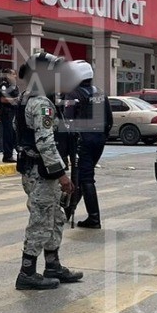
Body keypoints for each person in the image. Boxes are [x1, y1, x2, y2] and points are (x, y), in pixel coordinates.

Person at [14, 52, 81, 290]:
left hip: (33, 169)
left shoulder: (25, 98)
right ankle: (27, 272)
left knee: (55, 217)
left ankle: (52, 266)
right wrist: (62, 175)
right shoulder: (41, 103)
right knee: (41, 220)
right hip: (43, 173)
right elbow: (45, 143)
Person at [65, 61, 112, 229]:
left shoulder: (73, 94)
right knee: (84, 176)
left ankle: (94, 217)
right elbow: (109, 121)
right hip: (98, 140)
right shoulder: (100, 92)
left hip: (82, 141)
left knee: (84, 178)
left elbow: (68, 121)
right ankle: (68, 210)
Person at [0, 68, 19, 163]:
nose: (15, 76)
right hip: (6, 112)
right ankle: (7, 155)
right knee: (8, 134)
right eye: (13, 74)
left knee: (14, 134)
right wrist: (16, 100)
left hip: (13, 112)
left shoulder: (14, 86)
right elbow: (3, 99)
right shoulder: (4, 86)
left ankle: (16, 153)